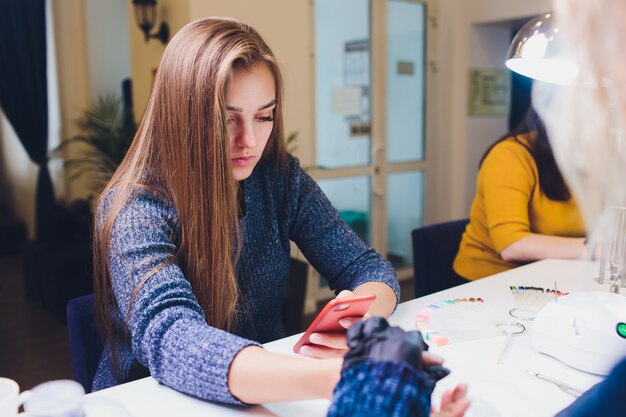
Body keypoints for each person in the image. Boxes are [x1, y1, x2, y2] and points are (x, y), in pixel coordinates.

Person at [91, 17, 400, 405]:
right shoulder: (135, 207)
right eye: (226, 118)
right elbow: (172, 336)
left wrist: (358, 321)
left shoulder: (279, 178)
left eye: (264, 115)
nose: (248, 140)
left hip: (265, 388)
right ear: (181, 116)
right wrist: (331, 377)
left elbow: (368, 268)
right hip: (151, 400)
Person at [453, 106, 586, 280]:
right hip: (487, 282)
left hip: (550, 276)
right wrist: (595, 249)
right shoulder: (509, 156)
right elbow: (511, 245)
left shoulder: (583, 161)